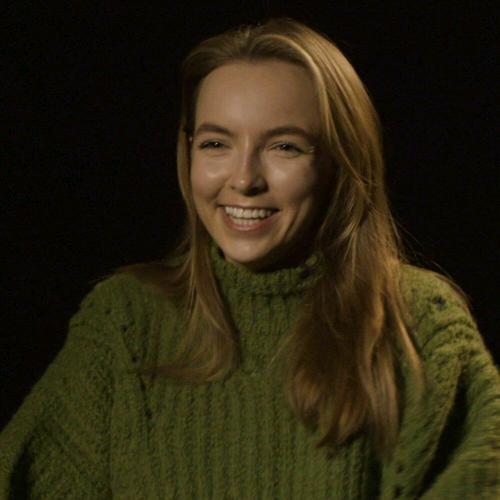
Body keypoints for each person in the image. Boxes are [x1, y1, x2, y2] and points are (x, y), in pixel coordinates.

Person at [1, 16, 499, 499]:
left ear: (340, 161)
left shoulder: (417, 322)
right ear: (189, 152)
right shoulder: (126, 322)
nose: (243, 179)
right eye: (216, 143)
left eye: (284, 146)